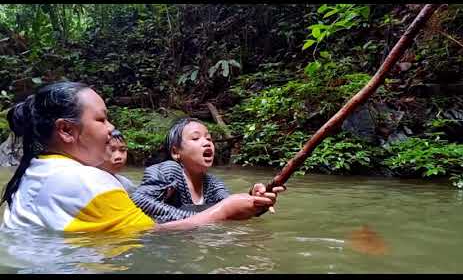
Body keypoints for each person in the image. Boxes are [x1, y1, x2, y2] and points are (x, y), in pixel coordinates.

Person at [0, 81, 278, 233]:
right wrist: (223, 211)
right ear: (66, 130)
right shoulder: (89, 180)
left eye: (209, 138)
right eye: (102, 119)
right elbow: (149, 235)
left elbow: (226, 204)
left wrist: (253, 202)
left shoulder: (40, 170)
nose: (111, 130)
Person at [131, 117, 285, 223]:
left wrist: (255, 200)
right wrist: (200, 218)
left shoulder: (212, 183)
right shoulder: (169, 170)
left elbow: (230, 208)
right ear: (175, 152)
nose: (206, 143)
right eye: (196, 138)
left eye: (209, 138)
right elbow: (139, 201)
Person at [98, 129, 137, 196]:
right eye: (111, 150)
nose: (118, 157)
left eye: (122, 150)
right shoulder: (85, 182)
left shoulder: (127, 186)